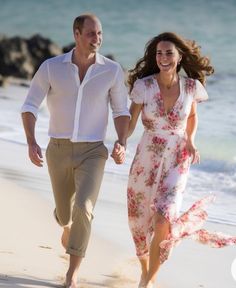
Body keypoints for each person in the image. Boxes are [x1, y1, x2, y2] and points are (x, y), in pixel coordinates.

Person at [21, 14, 129, 288]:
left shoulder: (112, 70)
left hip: (94, 151)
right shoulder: (51, 67)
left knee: (84, 207)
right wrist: (32, 141)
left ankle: (72, 273)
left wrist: (121, 141)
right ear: (77, 33)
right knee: (65, 213)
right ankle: (65, 224)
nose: (97, 39)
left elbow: (121, 111)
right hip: (57, 149)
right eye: (91, 33)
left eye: (100, 33)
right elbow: (30, 106)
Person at [126, 32, 236, 288]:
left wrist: (191, 140)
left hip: (177, 158)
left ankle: (148, 281)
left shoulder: (191, 87)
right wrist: (121, 142)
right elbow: (131, 122)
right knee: (140, 224)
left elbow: (192, 117)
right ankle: (146, 270)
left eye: (169, 53)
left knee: (164, 218)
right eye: (159, 53)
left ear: (179, 57)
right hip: (146, 158)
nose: (163, 57)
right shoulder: (144, 86)